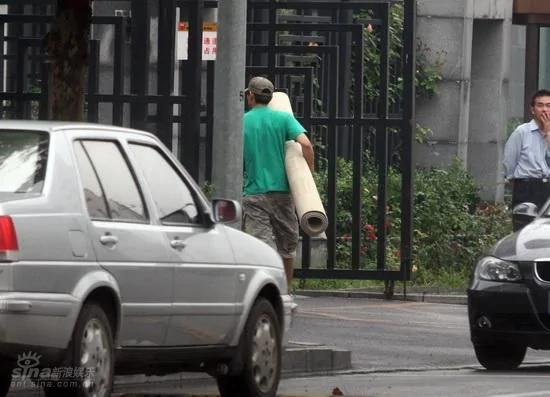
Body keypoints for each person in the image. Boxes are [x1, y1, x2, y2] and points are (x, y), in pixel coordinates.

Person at [242, 76, 314, 289]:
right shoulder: (284, 119)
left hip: (254, 193)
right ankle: (286, 290)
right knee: (287, 245)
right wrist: (309, 174)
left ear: (251, 96)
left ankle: (263, 291)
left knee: (259, 247)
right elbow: (306, 145)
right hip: (282, 193)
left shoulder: (242, 121)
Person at [504, 89, 550, 230]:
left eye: (548, 106)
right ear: (532, 109)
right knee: (524, 231)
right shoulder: (522, 132)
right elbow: (509, 164)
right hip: (527, 188)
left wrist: (548, 133)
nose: (544, 110)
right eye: (540, 105)